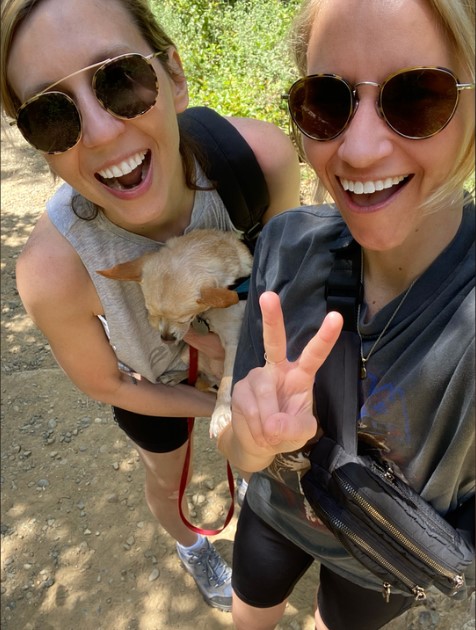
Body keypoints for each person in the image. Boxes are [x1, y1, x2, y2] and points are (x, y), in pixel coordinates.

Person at [1, 0, 301, 613]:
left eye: (120, 79)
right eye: (51, 116)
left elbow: (285, 288)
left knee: (257, 464)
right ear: (39, 146)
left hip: (236, 363)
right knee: (168, 480)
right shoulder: (52, 272)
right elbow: (109, 381)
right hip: (149, 385)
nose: (104, 132)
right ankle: (191, 543)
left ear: (174, 75)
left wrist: (238, 396)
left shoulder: (258, 164)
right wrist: (214, 403)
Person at [217, 0, 475, 628]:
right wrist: (248, 439)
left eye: (417, 96)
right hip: (274, 512)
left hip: (379, 554)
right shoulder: (286, 244)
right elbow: (234, 437)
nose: (357, 150)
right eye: (326, 103)